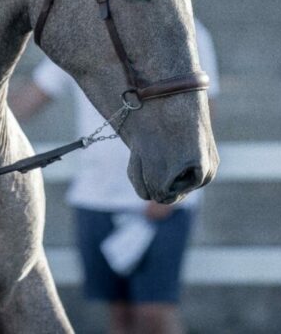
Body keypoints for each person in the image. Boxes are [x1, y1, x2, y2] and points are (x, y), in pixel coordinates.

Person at [11, 19, 219, 334]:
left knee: (155, 315)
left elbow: (205, 112)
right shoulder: (81, 33)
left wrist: (180, 186)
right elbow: (34, 96)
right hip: (96, 198)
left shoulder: (187, 31)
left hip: (161, 199)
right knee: (119, 317)